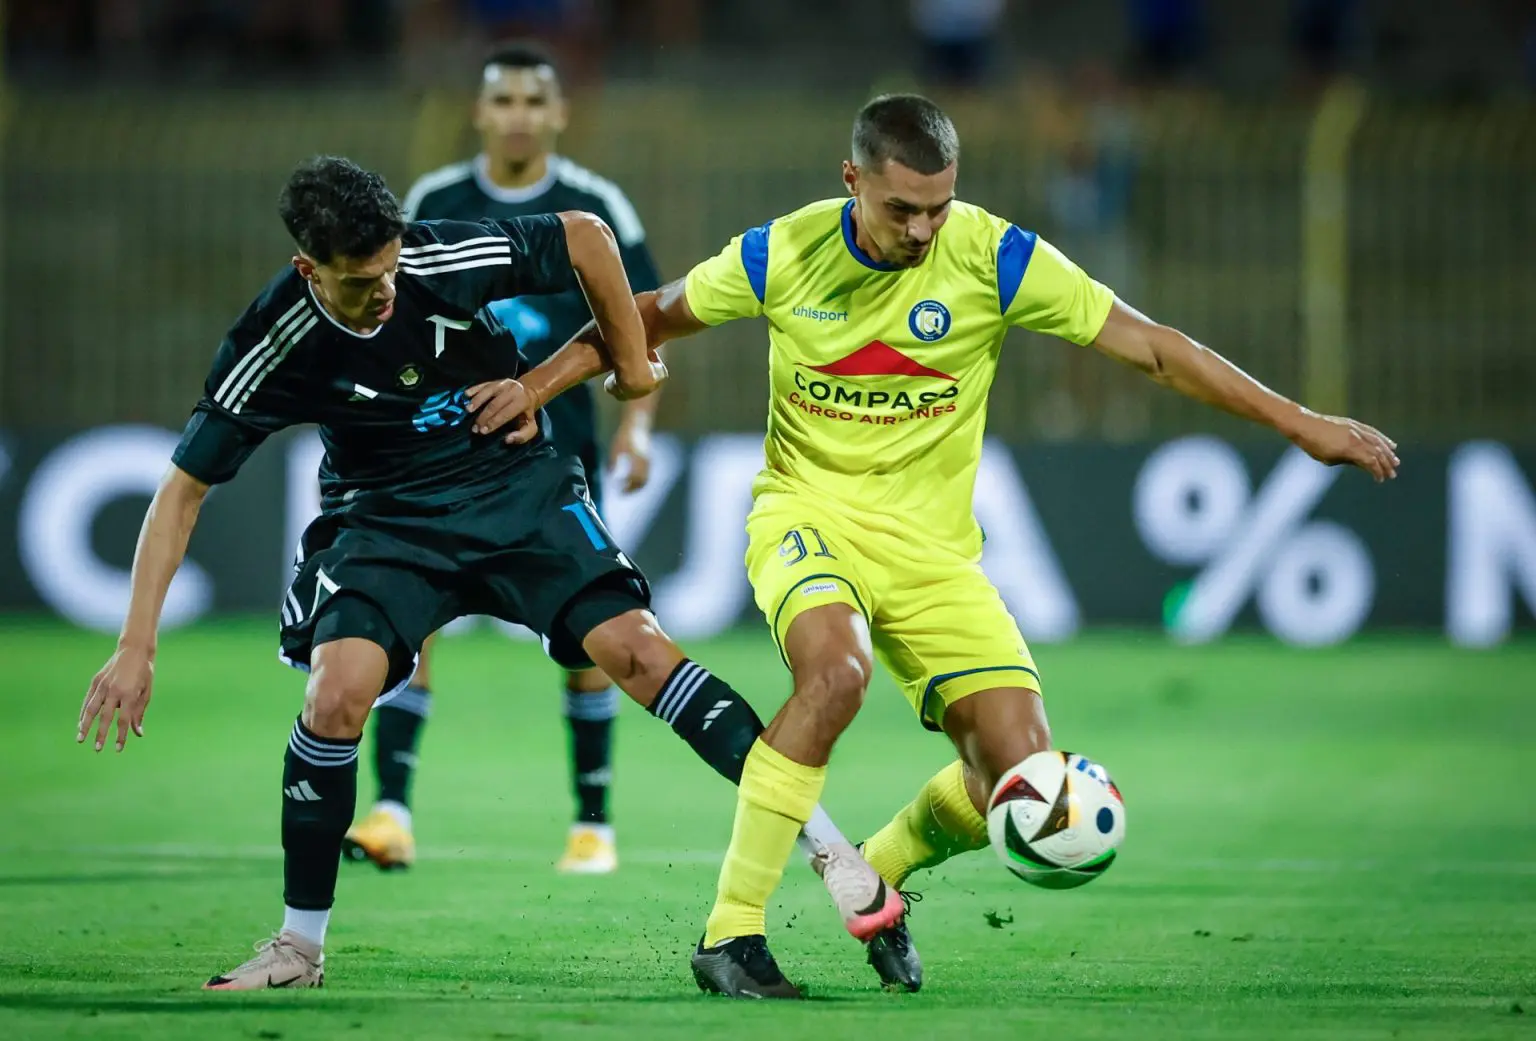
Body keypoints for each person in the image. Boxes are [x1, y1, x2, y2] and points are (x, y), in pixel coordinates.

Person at [467, 93, 1401, 998]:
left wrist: (1302, 422)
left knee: (1018, 779)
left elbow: (1152, 347)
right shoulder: (782, 251)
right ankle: (732, 932)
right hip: (807, 515)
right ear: (852, 181)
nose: (922, 230)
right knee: (835, 676)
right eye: (901, 209)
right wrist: (535, 388)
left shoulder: (995, 257)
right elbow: (642, 315)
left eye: (938, 207)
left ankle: (877, 867)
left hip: (935, 554)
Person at [75, 156, 892, 991]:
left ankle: (833, 849)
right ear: (308, 268)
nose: (386, 290)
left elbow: (587, 237)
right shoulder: (274, 341)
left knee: (641, 652)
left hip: (512, 486)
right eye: (361, 281)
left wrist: (623, 364)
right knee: (335, 693)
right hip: (384, 520)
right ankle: (298, 948)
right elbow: (181, 492)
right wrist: (137, 645)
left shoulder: (437, 257)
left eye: (391, 266)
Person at [341, 40, 662, 878]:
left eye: (533, 101)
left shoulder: (596, 204)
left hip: (557, 454)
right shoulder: (433, 199)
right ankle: (391, 811)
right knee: (416, 622)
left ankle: (592, 824)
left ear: (558, 114)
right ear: (480, 112)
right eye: (504, 100)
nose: (519, 115)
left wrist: (636, 427)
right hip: (445, 452)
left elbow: (642, 319)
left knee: (590, 628)